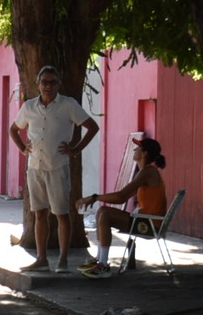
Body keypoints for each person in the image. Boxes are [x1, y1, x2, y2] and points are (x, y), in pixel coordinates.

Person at [9, 66, 98, 272]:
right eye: (44, 82)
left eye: (52, 82)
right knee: (39, 214)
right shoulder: (29, 107)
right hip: (35, 167)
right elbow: (14, 129)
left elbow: (92, 126)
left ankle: (63, 260)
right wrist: (23, 148)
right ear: (38, 84)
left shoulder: (68, 105)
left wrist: (75, 149)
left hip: (58, 166)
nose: (48, 86)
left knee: (61, 214)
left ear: (58, 84)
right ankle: (42, 258)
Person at [74, 135, 168, 276]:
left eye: (138, 147)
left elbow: (120, 197)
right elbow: (122, 197)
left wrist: (94, 197)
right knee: (102, 211)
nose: (134, 149)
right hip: (143, 220)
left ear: (145, 153)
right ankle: (100, 259)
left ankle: (104, 266)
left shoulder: (148, 172)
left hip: (150, 225)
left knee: (105, 214)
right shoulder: (145, 172)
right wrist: (96, 198)